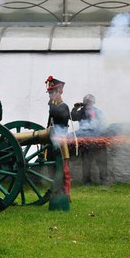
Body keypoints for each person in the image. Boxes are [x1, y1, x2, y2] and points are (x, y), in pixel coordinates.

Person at [45, 76, 71, 210]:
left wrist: (52, 108)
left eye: (53, 92)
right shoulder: (53, 106)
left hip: (61, 142)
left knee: (63, 170)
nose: (51, 95)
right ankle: (54, 192)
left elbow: (62, 119)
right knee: (52, 170)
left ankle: (64, 195)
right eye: (49, 93)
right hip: (52, 141)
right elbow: (49, 124)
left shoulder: (63, 106)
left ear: (59, 91)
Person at [71, 94, 108, 185]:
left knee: (102, 160)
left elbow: (103, 123)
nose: (89, 103)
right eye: (87, 102)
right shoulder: (81, 112)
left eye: (90, 101)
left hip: (98, 139)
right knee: (87, 162)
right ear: (84, 103)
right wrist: (75, 108)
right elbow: (73, 117)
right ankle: (87, 181)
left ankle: (104, 180)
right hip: (86, 140)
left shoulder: (98, 112)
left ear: (93, 102)